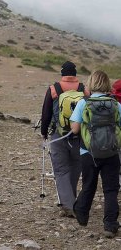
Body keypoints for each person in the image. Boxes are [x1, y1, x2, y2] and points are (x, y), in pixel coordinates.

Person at [70, 70, 121, 238]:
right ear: (107, 84)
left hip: (88, 152)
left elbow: (75, 129)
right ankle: (110, 225)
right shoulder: (115, 104)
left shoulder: (83, 103)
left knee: (89, 185)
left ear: (91, 83)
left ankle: (82, 214)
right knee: (111, 189)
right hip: (112, 153)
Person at [41, 61, 89, 217]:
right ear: (74, 74)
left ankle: (68, 205)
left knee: (61, 170)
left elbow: (46, 113)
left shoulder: (54, 89)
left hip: (58, 134)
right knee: (76, 166)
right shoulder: (83, 89)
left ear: (62, 74)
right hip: (79, 134)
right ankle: (71, 201)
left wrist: (44, 132)